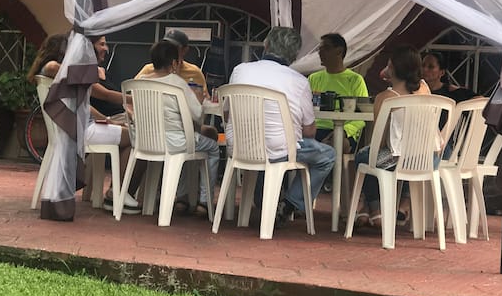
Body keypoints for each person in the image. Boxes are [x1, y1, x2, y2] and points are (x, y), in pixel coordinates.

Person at [226, 26, 336, 227]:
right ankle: (290, 204)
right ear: (294, 55)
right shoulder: (299, 81)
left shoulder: (240, 70)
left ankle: (264, 203)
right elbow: (309, 131)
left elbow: (227, 113)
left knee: (268, 149)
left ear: (266, 45)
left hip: (239, 147)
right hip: (278, 150)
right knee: (327, 155)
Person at [29, 33, 142, 215]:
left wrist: (107, 120)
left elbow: (84, 106)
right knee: (133, 137)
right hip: (78, 130)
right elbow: (53, 67)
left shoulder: (65, 77)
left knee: (126, 131)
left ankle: (116, 192)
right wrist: (89, 72)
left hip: (77, 128)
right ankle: (118, 193)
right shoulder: (52, 68)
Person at [138, 40, 220, 218]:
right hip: (176, 142)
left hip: (148, 141)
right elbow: (197, 115)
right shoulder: (178, 82)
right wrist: (198, 99)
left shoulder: (141, 81)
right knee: (212, 147)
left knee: (186, 145)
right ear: (174, 63)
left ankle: (182, 197)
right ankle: (204, 202)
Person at [353, 45, 427, 229]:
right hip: (426, 158)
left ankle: (374, 208)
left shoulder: (385, 97)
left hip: (400, 158)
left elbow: (379, 141)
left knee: (364, 156)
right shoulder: (424, 89)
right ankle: (369, 208)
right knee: (370, 157)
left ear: (391, 68)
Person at [136, 29, 217, 142]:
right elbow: (132, 99)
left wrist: (200, 99)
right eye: (166, 45)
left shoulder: (194, 72)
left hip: (181, 126)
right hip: (168, 132)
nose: (169, 49)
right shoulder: (148, 70)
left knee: (210, 132)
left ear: (185, 50)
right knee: (209, 145)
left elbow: (205, 98)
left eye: (174, 47)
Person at [308, 33, 368, 154]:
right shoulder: (313, 78)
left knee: (337, 143)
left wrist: (344, 131)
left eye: (326, 48)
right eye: (319, 49)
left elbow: (362, 115)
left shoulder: (355, 80)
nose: (320, 53)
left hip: (345, 132)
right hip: (316, 129)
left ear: (339, 51)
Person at [89, 35, 126, 124]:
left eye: (106, 44)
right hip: (108, 120)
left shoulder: (104, 72)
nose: (106, 49)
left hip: (122, 116)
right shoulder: (82, 74)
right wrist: (136, 98)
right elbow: (106, 95)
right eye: (102, 44)